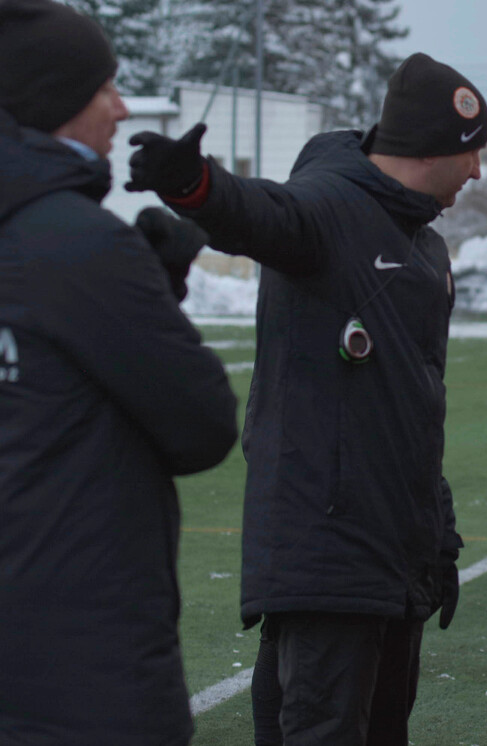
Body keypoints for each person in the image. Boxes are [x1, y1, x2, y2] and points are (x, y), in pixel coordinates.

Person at [125, 51, 487, 745]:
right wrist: (194, 183)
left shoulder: (427, 251)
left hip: (396, 559)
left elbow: (417, 403)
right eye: (471, 153)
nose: (477, 171)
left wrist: (435, 531)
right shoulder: (328, 205)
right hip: (327, 558)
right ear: (431, 148)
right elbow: (259, 214)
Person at [0, 1, 239, 744]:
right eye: (103, 86)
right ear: (54, 102)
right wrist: (147, 291)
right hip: (83, 665)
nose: (122, 106)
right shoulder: (80, 244)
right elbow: (203, 426)